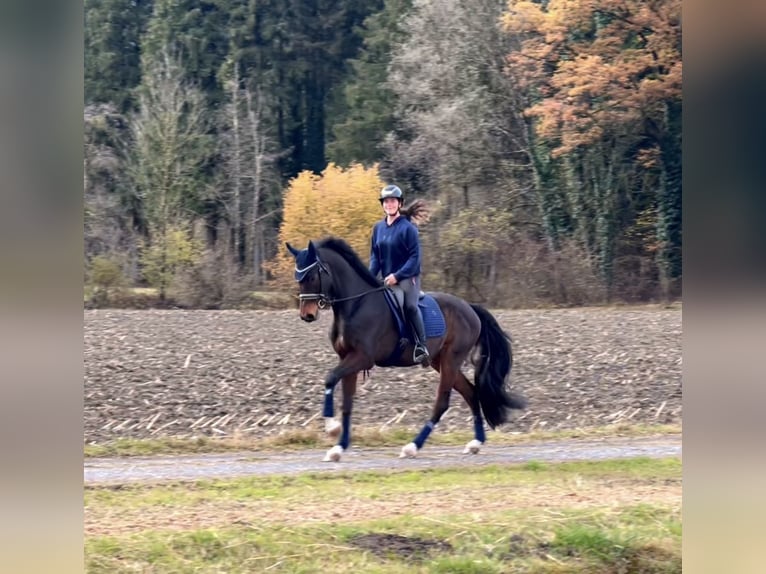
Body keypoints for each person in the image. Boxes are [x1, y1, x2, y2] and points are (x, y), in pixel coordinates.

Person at [369, 184, 430, 365]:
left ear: (399, 203)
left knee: (409, 306)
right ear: (383, 205)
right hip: (386, 278)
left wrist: (397, 275)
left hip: (407, 277)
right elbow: (375, 257)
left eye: (393, 201)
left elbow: (414, 258)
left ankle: (421, 346)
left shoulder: (408, 228)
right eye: (386, 201)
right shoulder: (378, 228)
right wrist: (369, 278)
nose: (389, 204)